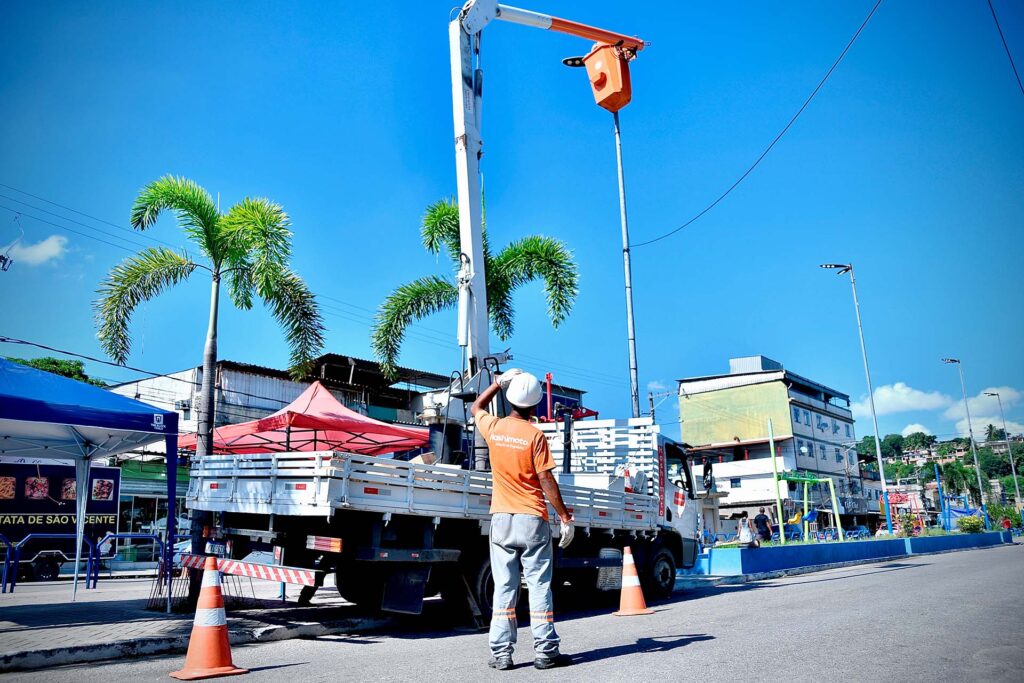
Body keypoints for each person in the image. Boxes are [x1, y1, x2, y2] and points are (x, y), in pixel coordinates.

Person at [470, 369, 574, 671]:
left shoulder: (494, 427)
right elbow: (545, 479)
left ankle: (502, 653)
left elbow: (476, 407)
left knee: (504, 587)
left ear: (510, 397)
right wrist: (564, 516)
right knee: (539, 586)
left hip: (501, 518)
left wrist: (496, 383)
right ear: (536, 404)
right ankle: (546, 652)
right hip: (532, 519)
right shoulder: (535, 436)